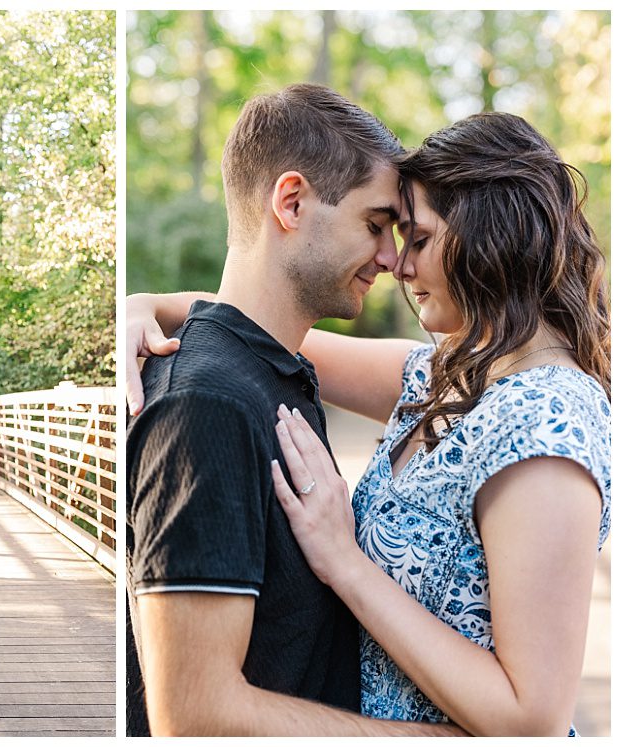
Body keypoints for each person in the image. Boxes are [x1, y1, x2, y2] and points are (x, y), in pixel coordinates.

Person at [127, 111, 610, 735]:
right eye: (387, 231)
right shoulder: (441, 378)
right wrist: (142, 304)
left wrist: (345, 561)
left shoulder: (546, 427)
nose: (398, 265)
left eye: (418, 238)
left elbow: (533, 719)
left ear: (494, 238)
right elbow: (260, 335)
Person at [126, 83, 463, 737]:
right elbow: (194, 716)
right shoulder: (207, 405)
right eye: (375, 225)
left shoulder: (272, 369)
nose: (392, 259)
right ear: (292, 201)